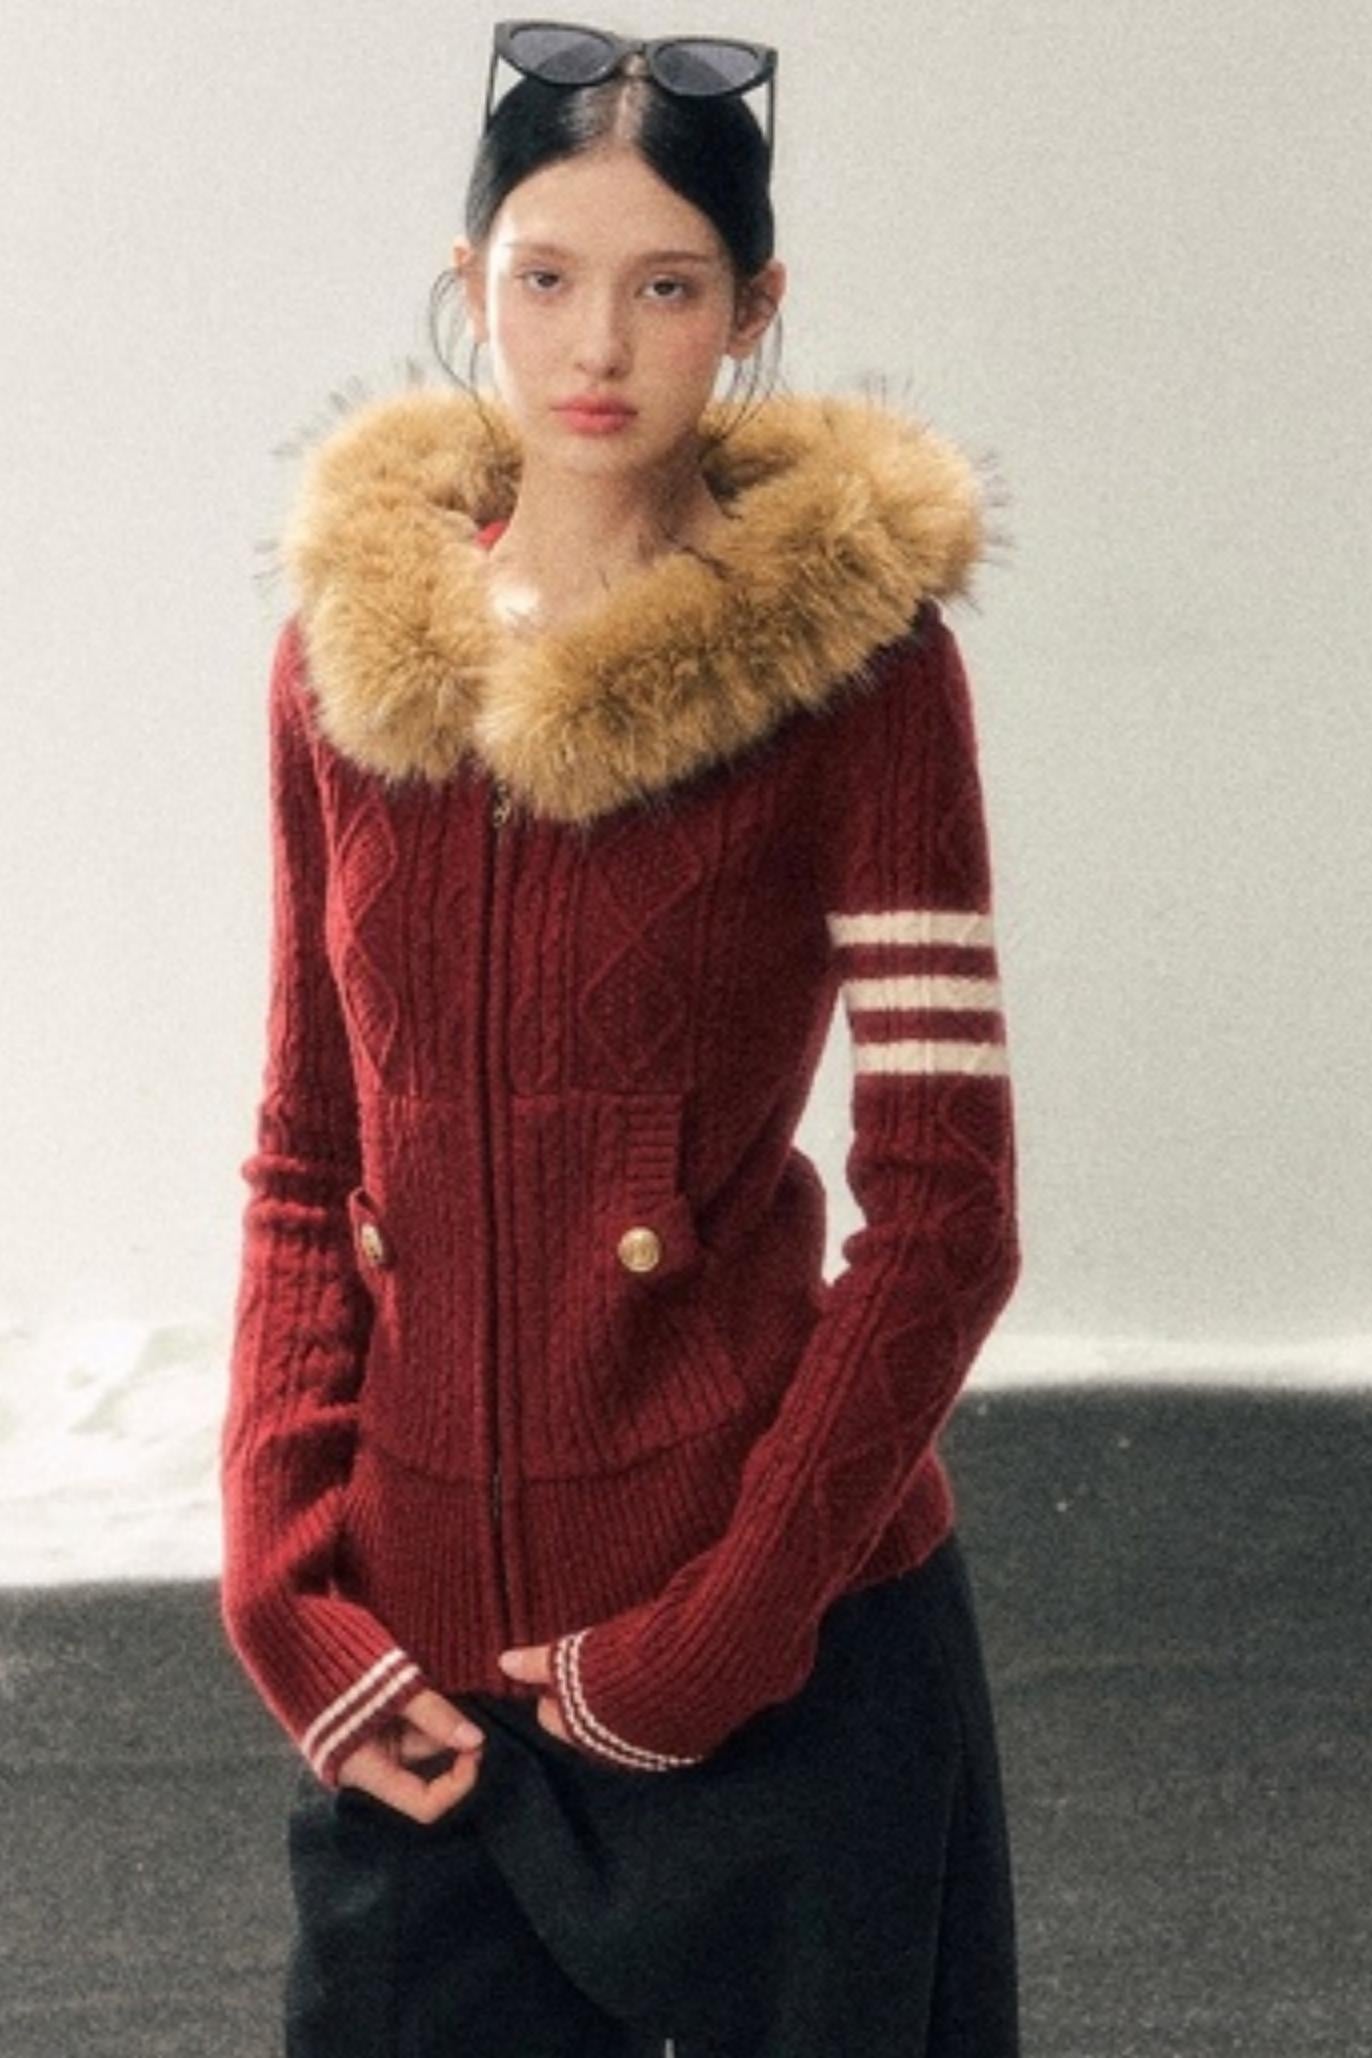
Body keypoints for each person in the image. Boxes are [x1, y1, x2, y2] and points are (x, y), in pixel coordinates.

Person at [220, 20, 1025, 2056]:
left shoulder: (857, 674)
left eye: (668, 287)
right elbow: (309, 1157)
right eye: (547, 276)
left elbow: (947, 1216)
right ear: (470, 282)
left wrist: (725, 1630)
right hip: (425, 1685)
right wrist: (279, 1587)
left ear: (753, 309)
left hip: (773, 1676)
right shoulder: (342, 672)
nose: (598, 346)